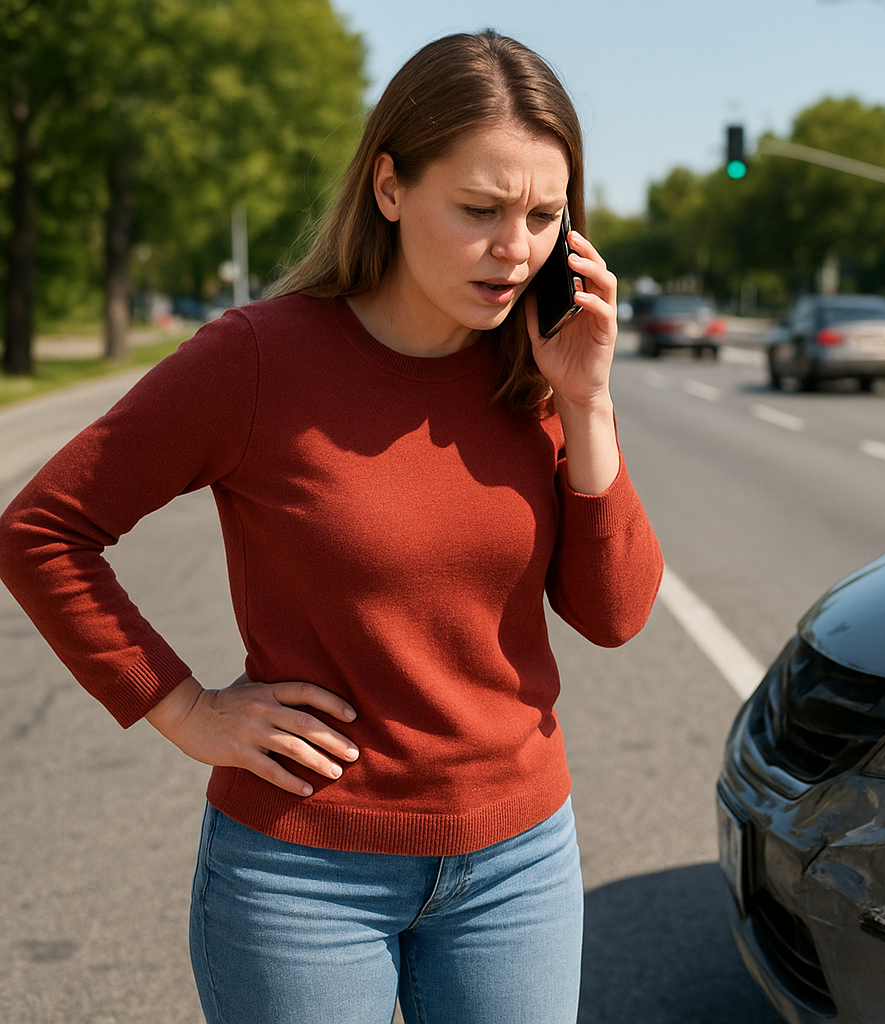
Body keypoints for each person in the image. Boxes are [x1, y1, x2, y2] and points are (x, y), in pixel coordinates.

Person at [0, 30, 662, 1024]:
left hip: (517, 861)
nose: (515, 250)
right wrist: (183, 708)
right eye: (479, 210)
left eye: (543, 216)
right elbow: (42, 530)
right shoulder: (259, 359)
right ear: (389, 188)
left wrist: (589, 404)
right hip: (302, 878)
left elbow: (612, 615)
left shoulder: (539, 367)